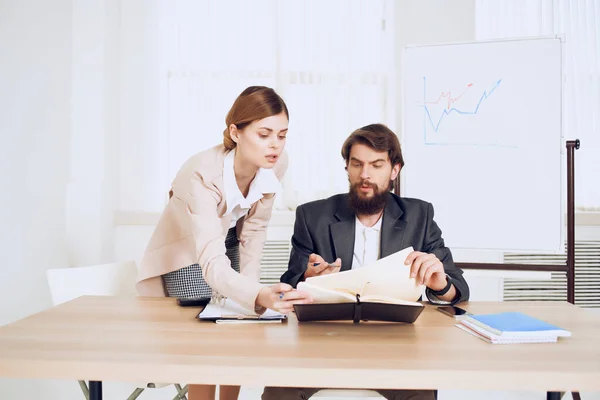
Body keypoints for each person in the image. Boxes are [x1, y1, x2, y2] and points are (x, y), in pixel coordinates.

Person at [262, 123, 470, 400]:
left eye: (377, 165)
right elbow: (289, 286)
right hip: (323, 341)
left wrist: (441, 284)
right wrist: (308, 280)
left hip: (396, 344)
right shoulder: (313, 216)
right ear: (347, 167)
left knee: (421, 394)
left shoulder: (419, 215)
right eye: (357, 164)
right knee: (278, 392)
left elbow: (459, 290)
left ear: (394, 170)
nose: (365, 175)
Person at [136, 86, 312, 400]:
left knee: (241, 327)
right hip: (187, 251)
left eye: (282, 135)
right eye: (264, 134)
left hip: (226, 237)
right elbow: (211, 262)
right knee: (203, 344)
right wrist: (257, 294)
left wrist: (253, 294)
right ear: (236, 131)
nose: (275, 145)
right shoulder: (201, 174)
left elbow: (255, 230)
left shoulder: (276, 163)